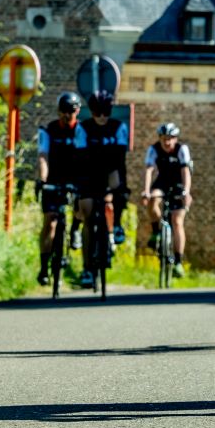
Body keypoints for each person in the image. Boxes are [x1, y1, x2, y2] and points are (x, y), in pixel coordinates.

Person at [72, 91, 128, 289]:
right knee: (87, 216)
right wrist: (79, 187)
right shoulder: (83, 128)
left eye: (106, 112)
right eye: (98, 113)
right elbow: (79, 159)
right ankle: (87, 268)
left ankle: (117, 224)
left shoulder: (119, 127)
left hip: (110, 171)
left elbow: (120, 160)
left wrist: (118, 187)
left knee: (119, 187)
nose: (102, 117)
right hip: (88, 174)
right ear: (92, 112)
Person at [34, 92, 86, 286]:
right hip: (53, 179)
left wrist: (83, 181)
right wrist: (43, 180)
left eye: (71, 111)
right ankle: (44, 267)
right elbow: (43, 157)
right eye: (63, 111)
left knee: (83, 204)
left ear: (77, 111)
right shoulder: (49, 130)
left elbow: (84, 158)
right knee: (50, 222)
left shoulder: (81, 131)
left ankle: (75, 229)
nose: (66, 115)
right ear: (58, 111)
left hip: (75, 178)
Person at [142, 122, 194, 276]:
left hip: (178, 183)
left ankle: (178, 261)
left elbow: (185, 171)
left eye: (170, 138)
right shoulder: (153, 149)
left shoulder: (182, 149)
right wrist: (146, 191)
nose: (167, 142)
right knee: (153, 199)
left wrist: (186, 192)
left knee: (177, 221)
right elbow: (149, 170)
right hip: (162, 181)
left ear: (175, 139)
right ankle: (156, 231)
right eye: (164, 139)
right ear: (160, 138)